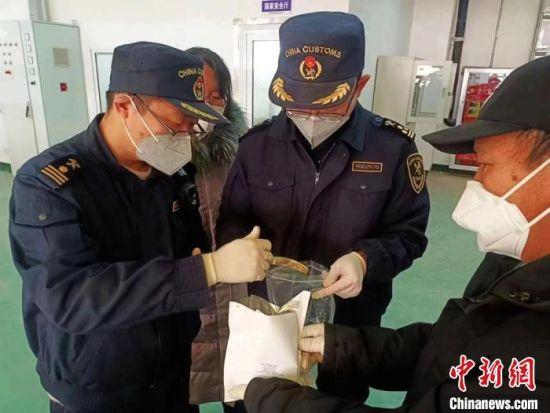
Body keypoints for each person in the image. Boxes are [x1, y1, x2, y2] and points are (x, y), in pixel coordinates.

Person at [243, 56, 550, 413]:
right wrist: (342, 346)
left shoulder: (390, 145)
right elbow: (453, 349)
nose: (476, 183)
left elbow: (408, 231)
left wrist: (277, 402)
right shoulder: (511, 267)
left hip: (353, 308)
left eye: (486, 165)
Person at [8, 41, 273, 413]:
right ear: (124, 106)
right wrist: (208, 269)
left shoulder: (169, 173)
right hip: (98, 384)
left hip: (171, 374)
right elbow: (73, 297)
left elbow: (189, 247)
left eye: (194, 124)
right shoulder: (49, 186)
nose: (187, 135)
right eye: (176, 123)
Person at [216, 12, 430, 402]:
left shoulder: (392, 149)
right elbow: (232, 219)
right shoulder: (256, 146)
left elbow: (409, 233)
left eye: (326, 106)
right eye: (298, 107)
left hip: (349, 318)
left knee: (339, 402)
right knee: (258, 399)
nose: (311, 117)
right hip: (268, 311)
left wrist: (365, 260)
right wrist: (242, 250)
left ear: (360, 85)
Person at [182, 47, 250, 406]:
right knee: (183, 387)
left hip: (238, 297)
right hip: (184, 296)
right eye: (197, 95)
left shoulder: (245, 150)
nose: (207, 107)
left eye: (216, 96)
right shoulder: (157, 159)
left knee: (240, 390)